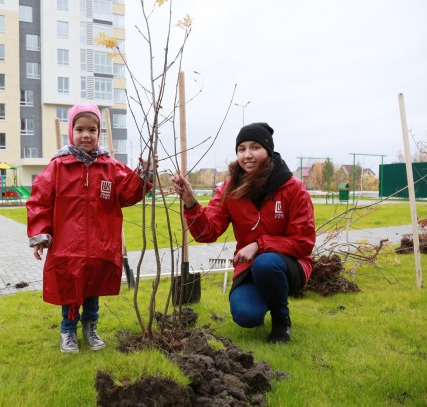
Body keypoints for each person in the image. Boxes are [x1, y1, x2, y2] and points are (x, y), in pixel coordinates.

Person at [26, 104, 155, 353]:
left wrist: (144, 173)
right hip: (67, 244)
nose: (86, 135)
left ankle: (91, 327)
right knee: (70, 290)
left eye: (92, 129)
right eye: (80, 129)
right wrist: (41, 234)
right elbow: (40, 200)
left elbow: (128, 191)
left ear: (99, 133)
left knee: (93, 288)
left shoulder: (110, 166)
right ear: (70, 131)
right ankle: (68, 330)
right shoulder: (58, 167)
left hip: (100, 242)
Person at [172, 122, 315, 343]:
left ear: (268, 151)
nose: (247, 155)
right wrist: (191, 204)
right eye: (241, 149)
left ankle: (281, 321)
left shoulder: (293, 188)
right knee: (246, 316)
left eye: (255, 147)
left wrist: (259, 244)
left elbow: (303, 243)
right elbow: (207, 233)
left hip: (291, 265)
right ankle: (265, 297)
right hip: (250, 266)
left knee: (266, 263)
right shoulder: (230, 189)